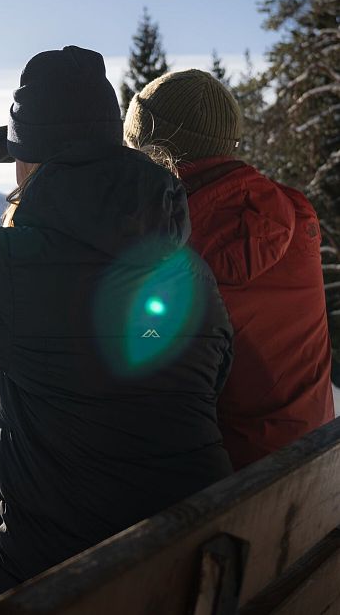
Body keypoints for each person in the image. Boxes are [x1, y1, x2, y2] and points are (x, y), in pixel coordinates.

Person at [0, 47, 234, 615]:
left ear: (27, 157)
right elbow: (212, 379)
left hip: (53, 569)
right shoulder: (189, 269)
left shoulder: (13, 270)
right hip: (187, 555)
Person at [124, 69, 335, 470]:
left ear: (153, 154)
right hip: (314, 467)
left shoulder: (163, 251)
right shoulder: (293, 212)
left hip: (224, 492)